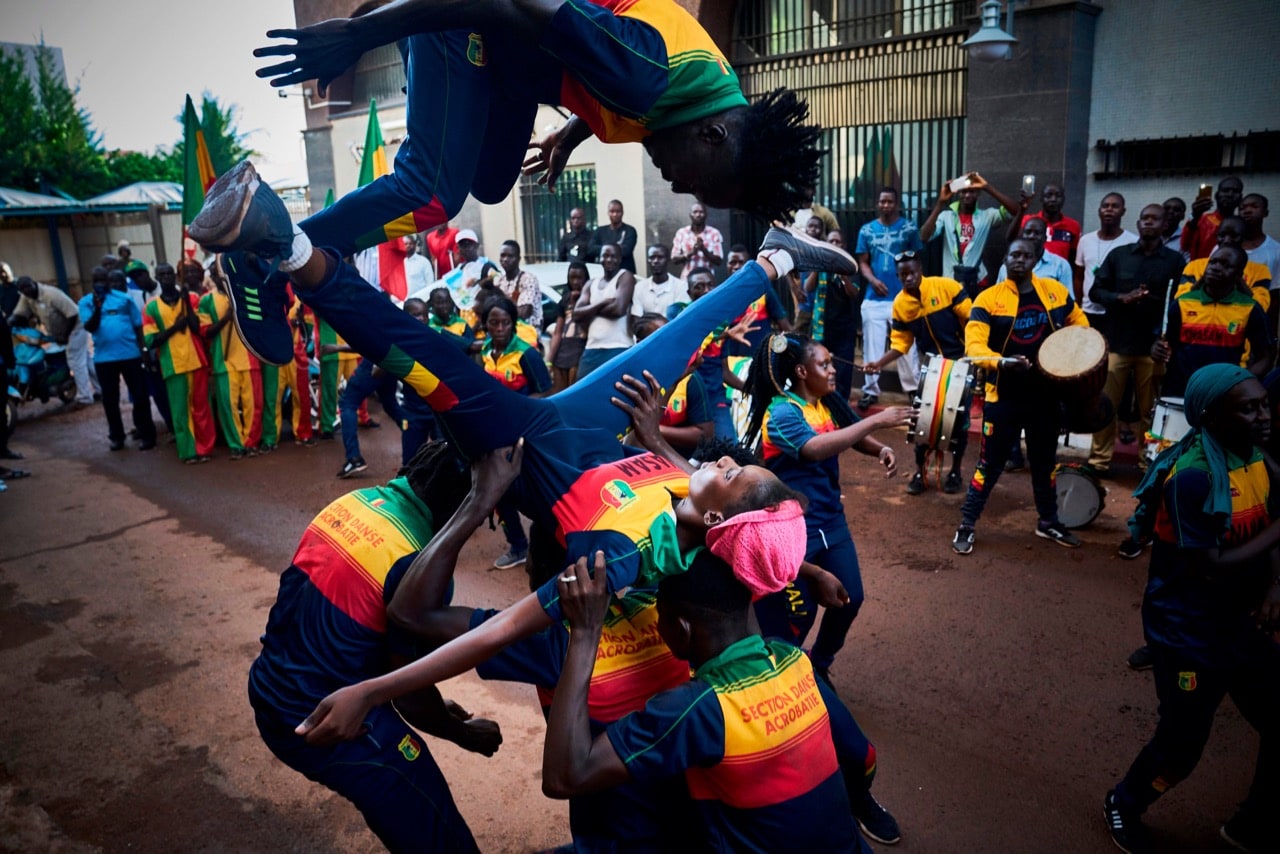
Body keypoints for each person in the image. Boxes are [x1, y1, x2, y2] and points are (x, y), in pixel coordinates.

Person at [192, 173, 859, 742]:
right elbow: (734, 520)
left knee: (434, 364)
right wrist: (797, 563)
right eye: (733, 466)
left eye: (732, 472)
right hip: (598, 425)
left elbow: (496, 630)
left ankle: (290, 251)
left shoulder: (627, 560)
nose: (718, 462)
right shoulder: (700, 510)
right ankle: (776, 259)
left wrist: (373, 691)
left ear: (717, 521)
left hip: (532, 450)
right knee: (682, 334)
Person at [244, 0, 819, 331]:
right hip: (469, 17)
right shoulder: (642, 74)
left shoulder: (711, 93)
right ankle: (269, 253)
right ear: (713, 135)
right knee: (433, 194)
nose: (675, 182)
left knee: (493, 182)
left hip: (513, 60)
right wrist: (359, 34)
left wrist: (573, 131)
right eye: (692, 179)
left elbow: (618, 74)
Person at [249, 440, 507, 852]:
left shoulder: (356, 501)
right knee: (435, 823)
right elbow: (412, 699)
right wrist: (461, 733)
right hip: (320, 719)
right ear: (462, 511)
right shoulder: (417, 564)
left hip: (269, 685)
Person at [543, 550, 877, 852]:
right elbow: (863, 756)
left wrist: (586, 633)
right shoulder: (793, 660)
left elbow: (565, 777)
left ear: (682, 630)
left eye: (658, 616)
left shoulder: (698, 709)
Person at [1103, 364, 1279, 854]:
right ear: (1212, 414)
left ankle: (1251, 824)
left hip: (1238, 622)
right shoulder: (1194, 478)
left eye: (1264, 403)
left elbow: (1265, 520)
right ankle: (1123, 801)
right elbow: (1213, 566)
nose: (1264, 414)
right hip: (1189, 633)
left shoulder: (1254, 457)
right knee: (1182, 743)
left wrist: (1274, 585)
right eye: (1249, 407)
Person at [745, 333, 913, 684]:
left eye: (832, 362)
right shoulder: (781, 412)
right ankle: (777, 681)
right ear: (802, 371)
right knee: (797, 615)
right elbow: (814, 448)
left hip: (830, 522)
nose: (833, 370)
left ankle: (818, 666)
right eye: (825, 364)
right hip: (792, 530)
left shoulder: (825, 402)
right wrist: (876, 420)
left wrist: (878, 447)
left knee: (850, 599)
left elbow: (849, 431)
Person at [952, 238, 1090, 555]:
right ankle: (967, 524)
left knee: (1045, 464)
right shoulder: (987, 300)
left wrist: (1074, 352)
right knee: (989, 465)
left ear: (1036, 259)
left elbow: (1079, 322)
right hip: (1003, 399)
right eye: (1014, 254)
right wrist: (1002, 362)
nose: (1020, 260)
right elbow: (974, 347)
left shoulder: (1054, 292)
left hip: (1046, 397)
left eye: (1026, 255)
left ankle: (1048, 521)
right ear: (1005, 259)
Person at [860, 252, 972, 494]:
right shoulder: (900, 304)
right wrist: (879, 363)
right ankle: (920, 473)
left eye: (912, 272)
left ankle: (955, 472)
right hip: (930, 368)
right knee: (922, 421)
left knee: (958, 422)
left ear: (920, 269)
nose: (908, 278)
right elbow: (901, 343)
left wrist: (971, 355)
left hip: (959, 364)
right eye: (903, 275)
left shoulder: (947, 287)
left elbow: (972, 321)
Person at [1086, 204, 1185, 476]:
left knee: (1150, 411)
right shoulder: (1118, 255)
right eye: (1145, 218)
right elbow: (1096, 292)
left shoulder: (1175, 262)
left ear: (1165, 225)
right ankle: (1098, 462)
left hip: (1152, 349)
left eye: (1155, 218)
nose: (1149, 222)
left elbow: (1178, 306)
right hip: (1116, 344)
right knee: (1105, 406)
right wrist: (1122, 298)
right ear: (1138, 223)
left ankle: (1147, 463)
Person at [481, 296, 552, 569]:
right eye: (494, 323)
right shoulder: (486, 350)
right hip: (496, 433)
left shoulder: (527, 353)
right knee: (498, 490)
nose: (500, 328)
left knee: (535, 491)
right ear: (485, 325)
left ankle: (549, 545)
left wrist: (516, 408)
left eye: (505, 323)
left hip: (526, 434)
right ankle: (518, 545)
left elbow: (546, 390)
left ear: (514, 324)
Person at [1153, 245, 1273, 398]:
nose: (1216, 268)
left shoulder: (1250, 308)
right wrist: (1156, 350)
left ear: (1238, 275)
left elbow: (1266, 356)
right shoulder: (1182, 303)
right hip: (1180, 392)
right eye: (1213, 262)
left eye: (1225, 265)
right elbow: (1163, 343)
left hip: (1226, 395)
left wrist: (1241, 381)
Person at [856, 187, 924, 409]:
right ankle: (870, 390)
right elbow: (863, 261)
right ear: (878, 203)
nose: (886, 205)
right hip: (874, 298)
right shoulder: (866, 230)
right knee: (871, 346)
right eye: (882, 201)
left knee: (906, 346)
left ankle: (912, 390)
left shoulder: (909, 228)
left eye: (890, 202)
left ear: (897, 204)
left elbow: (916, 260)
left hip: (903, 298)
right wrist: (872, 280)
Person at [78, 266, 157, 452]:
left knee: (140, 396)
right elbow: (89, 327)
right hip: (104, 359)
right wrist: (98, 308)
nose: (100, 284)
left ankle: (146, 434)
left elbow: (138, 326)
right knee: (110, 399)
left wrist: (144, 351)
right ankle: (117, 437)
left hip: (130, 354)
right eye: (96, 281)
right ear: (91, 283)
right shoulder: (86, 302)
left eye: (103, 280)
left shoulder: (124, 299)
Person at [142, 264, 216, 464]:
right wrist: (174, 328)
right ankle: (187, 451)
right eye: (161, 274)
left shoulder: (191, 298)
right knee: (180, 410)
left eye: (169, 274)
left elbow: (197, 327)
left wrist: (185, 301)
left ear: (175, 276)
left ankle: (205, 447)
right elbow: (151, 340)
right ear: (156, 277)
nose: (166, 277)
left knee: (201, 407)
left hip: (196, 360)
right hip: (172, 364)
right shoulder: (151, 306)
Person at [200, 268, 263, 460]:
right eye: (217, 273)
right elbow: (206, 332)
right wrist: (227, 318)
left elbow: (258, 322)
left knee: (254, 405)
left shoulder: (246, 293)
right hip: (223, 361)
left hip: (249, 359)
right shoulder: (207, 301)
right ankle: (236, 444)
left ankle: (251, 442)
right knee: (228, 406)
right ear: (213, 277)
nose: (222, 276)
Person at [920, 172, 1018, 293]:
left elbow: (1015, 211)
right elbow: (924, 237)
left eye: (972, 191)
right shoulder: (947, 216)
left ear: (978, 194)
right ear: (958, 193)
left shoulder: (986, 216)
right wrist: (940, 203)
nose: (967, 195)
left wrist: (987, 187)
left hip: (978, 280)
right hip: (950, 282)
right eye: (963, 191)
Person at [11, 276, 98, 406]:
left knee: (75, 362)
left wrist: (65, 335)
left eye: (28, 286)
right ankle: (101, 389)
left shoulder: (51, 294)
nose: (26, 290)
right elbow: (19, 314)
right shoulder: (27, 297)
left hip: (75, 328)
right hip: (58, 333)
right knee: (85, 360)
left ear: (34, 283)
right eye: (22, 289)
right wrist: (8, 323)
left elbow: (73, 314)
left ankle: (85, 398)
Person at [1075, 192, 1137, 328]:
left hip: (1116, 312)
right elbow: (1079, 277)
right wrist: (1078, 306)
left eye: (1115, 206)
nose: (1109, 209)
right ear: (1099, 211)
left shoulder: (1133, 242)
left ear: (1123, 211)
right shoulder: (1085, 240)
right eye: (1105, 206)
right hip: (1087, 310)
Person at [573, 244, 635, 378]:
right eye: (605, 255)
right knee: (583, 392)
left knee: (617, 393)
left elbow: (618, 309)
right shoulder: (591, 283)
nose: (609, 260)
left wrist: (589, 310)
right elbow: (576, 314)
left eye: (613, 256)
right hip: (592, 348)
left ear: (620, 259)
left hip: (619, 347)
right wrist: (603, 302)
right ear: (599, 258)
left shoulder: (625, 276)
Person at [547, 263, 588, 392]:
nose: (576, 282)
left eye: (579, 278)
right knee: (559, 392)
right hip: (562, 353)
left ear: (586, 279)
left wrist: (577, 304)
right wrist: (549, 360)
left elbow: (588, 329)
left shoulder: (591, 299)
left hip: (580, 351)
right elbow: (557, 332)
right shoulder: (564, 300)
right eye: (572, 278)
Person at [1182, 176, 1243, 262]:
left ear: (1241, 198)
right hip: (1199, 271)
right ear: (1217, 195)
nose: (1230, 195)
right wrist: (1194, 215)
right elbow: (1184, 245)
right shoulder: (1201, 219)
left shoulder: (1241, 225)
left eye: (1235, 191)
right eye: (1226, 191)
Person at [1017, 182, 1080, 263]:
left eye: (1058, 196)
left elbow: (1073, 256)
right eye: (1049, 195)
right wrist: (1021, 210)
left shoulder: (1073, 226)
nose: (1053, 199)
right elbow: (1013, 241)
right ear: (1041, 199)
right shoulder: (1028, 221)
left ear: (1063, 199)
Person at [493, 239, 543, 331]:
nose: (505, 259)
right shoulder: (499, 281)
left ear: (518, 259)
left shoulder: (528, 279)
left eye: (510, 256)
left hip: (527, 335)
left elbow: (524, 313)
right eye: (503, 255)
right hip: (506, 334)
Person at [670, 202, 724, 278]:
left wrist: (704, 249)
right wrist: (691, 253)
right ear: (690, 215)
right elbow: (674, 259)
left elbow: (719, 261)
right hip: (687, 279)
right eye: (695, 212)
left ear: (706, 214)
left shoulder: (714, 233)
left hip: (707, 279)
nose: (698, 215)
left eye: (701, 212)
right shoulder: (681, 233)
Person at [586, 199, 638, 273]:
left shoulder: (630, 230)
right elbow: (591, 249)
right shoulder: (600, 231)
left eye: (618, 211)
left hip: (625, 272)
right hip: (603, 273)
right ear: (608, 213)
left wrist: (604, 251)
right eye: (612, 211)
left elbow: (626, 250)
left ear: (622, 212)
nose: (615, 214)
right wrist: (617, 248)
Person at [630, 244, 678, 318]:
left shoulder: (680, 286)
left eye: (660, 257)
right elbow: (636, 317)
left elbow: (679, 319)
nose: (655, 261)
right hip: (645, 329)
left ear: (668, 260)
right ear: (647, 261)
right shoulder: (639, 287)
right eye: (652, 258)